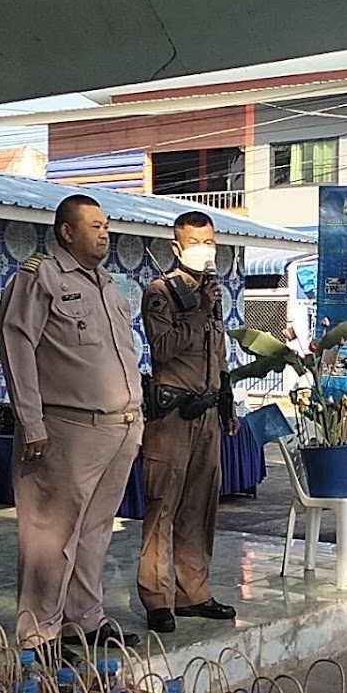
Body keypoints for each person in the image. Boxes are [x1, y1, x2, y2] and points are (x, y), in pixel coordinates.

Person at [0, 194, 143, 649]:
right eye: (95, 226)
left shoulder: (109, 285)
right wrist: (31, 422)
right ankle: (38, 635)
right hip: (67, 429)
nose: (105, 233)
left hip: (119, 429)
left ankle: (84, 619)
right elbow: (17, 344)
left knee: (97, 531)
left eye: (106, 226)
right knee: (49, 536)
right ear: (67, 232)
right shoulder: (39, 277)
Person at [136, 212, 239, 633]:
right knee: (163, 506)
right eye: (196, 241)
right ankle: (157, 597)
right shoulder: (160, 293)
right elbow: (162, 348)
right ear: (177, 247)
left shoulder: (212, 293)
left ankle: (193, 591)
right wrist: (199, 311)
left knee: (200, 506)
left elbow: (219, 355)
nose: (205, 248)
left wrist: (228, 403)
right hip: (173, 415)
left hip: (209, 413)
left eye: (210, 240)